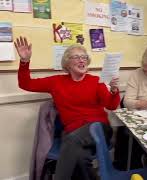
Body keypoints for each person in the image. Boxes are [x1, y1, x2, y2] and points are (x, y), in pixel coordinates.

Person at [15, 36, 120, 180]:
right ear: (67, 63)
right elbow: (25, 84)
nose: (81, 60)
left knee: (71, 141)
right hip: (73, 132)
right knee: (80, 159)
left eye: (84, 57)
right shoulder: (56, 82)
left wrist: (114, 91)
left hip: (99, 129)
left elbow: (112, 105)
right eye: (76, 57)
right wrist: (24, 62)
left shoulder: (96, 81)